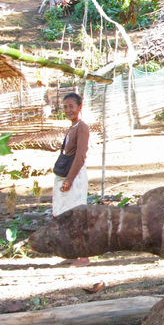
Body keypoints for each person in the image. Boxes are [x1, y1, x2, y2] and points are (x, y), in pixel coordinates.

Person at [53, 92, 90, 266]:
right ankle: (73, 253)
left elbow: (80, 156)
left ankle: (84, 256)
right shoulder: (72, 127)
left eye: (71, 106)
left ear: (79, 107)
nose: (68, 110)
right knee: (66, 214)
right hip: (68, 176)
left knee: (76, 215)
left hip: (75, 177)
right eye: (65, 106)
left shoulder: (82, 127)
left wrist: (69, 180)